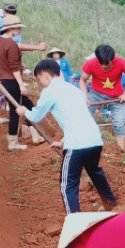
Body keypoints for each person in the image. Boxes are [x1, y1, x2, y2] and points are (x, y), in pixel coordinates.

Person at [18, 59, 117, 214]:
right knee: (94, 171)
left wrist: (25, 112)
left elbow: (36, 116)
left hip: (77, 144)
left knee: (68, 184)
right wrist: (63, 141)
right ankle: (110, 202)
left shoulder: (50, 91)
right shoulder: (74, 90)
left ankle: (74, 219)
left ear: (45, 76)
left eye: (39, 79)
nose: (41, 83)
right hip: (94, 140)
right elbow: (78, 118)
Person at [0, 15, 47, 150]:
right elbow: (14, 67)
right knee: (15, 111)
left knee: (27, 105)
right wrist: (21, 84)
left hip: (4, 81)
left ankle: (35, 135)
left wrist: (36, 47)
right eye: (17, 27)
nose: (20, 30)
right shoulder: (11, 44)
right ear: (10, 28)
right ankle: (12, 142)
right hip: (12, 82)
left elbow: (16, 49)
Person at [80, 44, 125, 152]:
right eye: (102, 64)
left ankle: (121, 151)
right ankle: (80, 144)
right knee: (82, 115)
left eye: (108, 65)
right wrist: (85, 97)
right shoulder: (91, 63)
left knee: (119, 123)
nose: (105, 67)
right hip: (96, 94)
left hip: (116, 96)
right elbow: (82, 80)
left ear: (112, 59)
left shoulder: (121, 63)